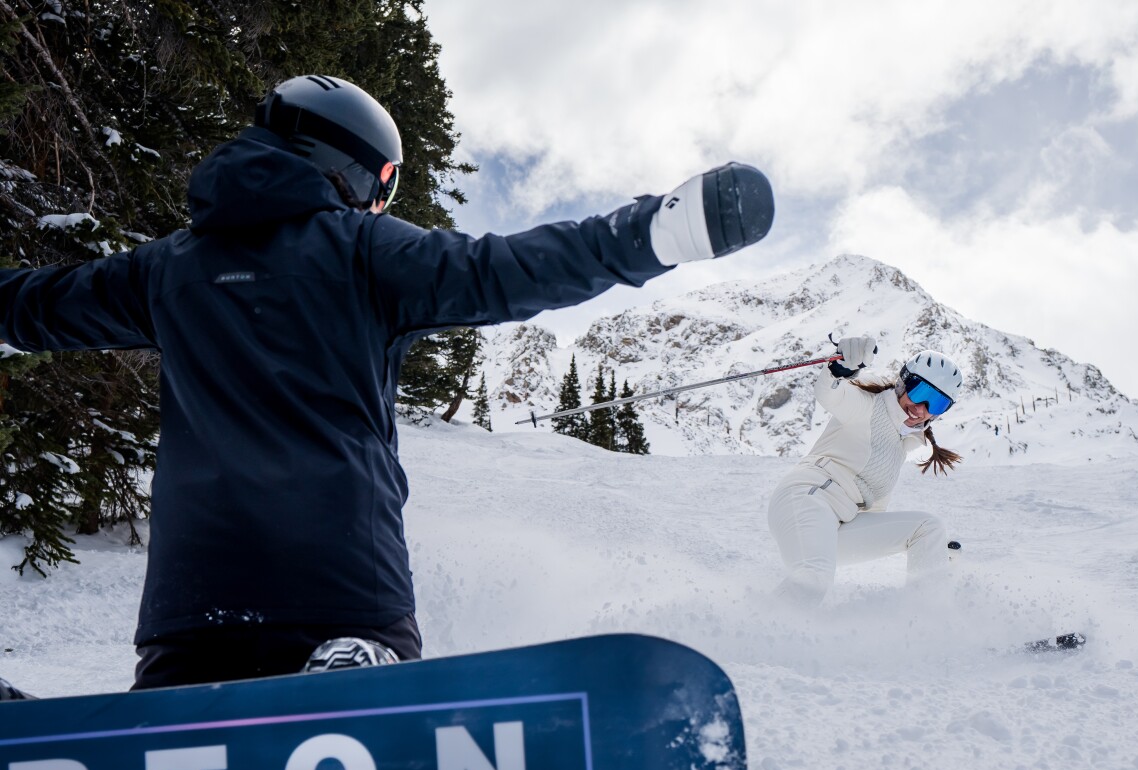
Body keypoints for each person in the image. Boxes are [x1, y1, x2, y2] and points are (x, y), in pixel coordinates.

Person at [0, 75, 774, 690]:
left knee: (180, 766)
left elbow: (36, 307)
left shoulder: (165, 269)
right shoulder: (360, 247)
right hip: (339, 588)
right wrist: (656, 232)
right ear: (344, 165)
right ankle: (355, 671)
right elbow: (500, 270)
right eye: (383, 184)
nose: (379, 201)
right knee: (365, 748)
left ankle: (147, 722)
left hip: (192, 605)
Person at [768, 335, 963, 606]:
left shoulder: (902, 442)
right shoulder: (868, 406)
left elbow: (874, 517)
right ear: (902, 384)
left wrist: (932, 553)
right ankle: (749, 629)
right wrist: (839, 369)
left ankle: (925, 620)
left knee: (927, 529)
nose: (922, 408)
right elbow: (830, 393)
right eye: (920, 393)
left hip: (840, 522)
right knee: (813, 577)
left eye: (937, 403)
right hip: (807, 498)